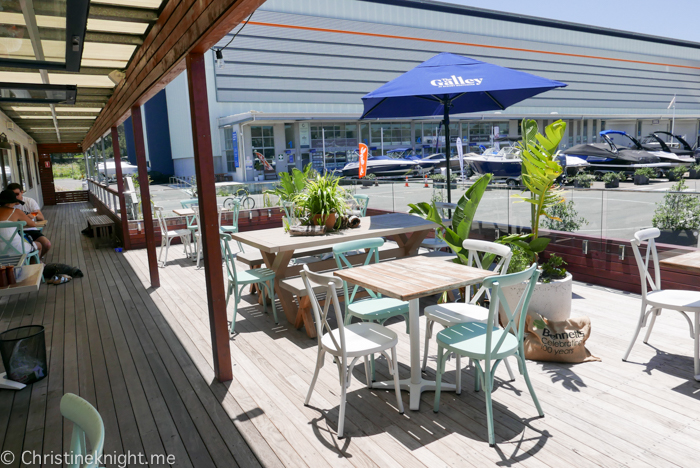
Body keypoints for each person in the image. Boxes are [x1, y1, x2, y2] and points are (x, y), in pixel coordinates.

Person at [7, 183, 50, 259]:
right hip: (14, 232)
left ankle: (38, 259)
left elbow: (41, 217)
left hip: (29, 230)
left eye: (17, 194)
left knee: (47, 244)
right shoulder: (7, 206)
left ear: (22, 192)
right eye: (12, 194)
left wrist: (33, 215)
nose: (15, 197)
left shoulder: (29, 201)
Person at [0, 189, 41, 260]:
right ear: (12, 202)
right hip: (17, 248)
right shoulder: (16, 211)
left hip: (1, 250)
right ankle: (33, 266)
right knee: (39, 245)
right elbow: (32, 224)